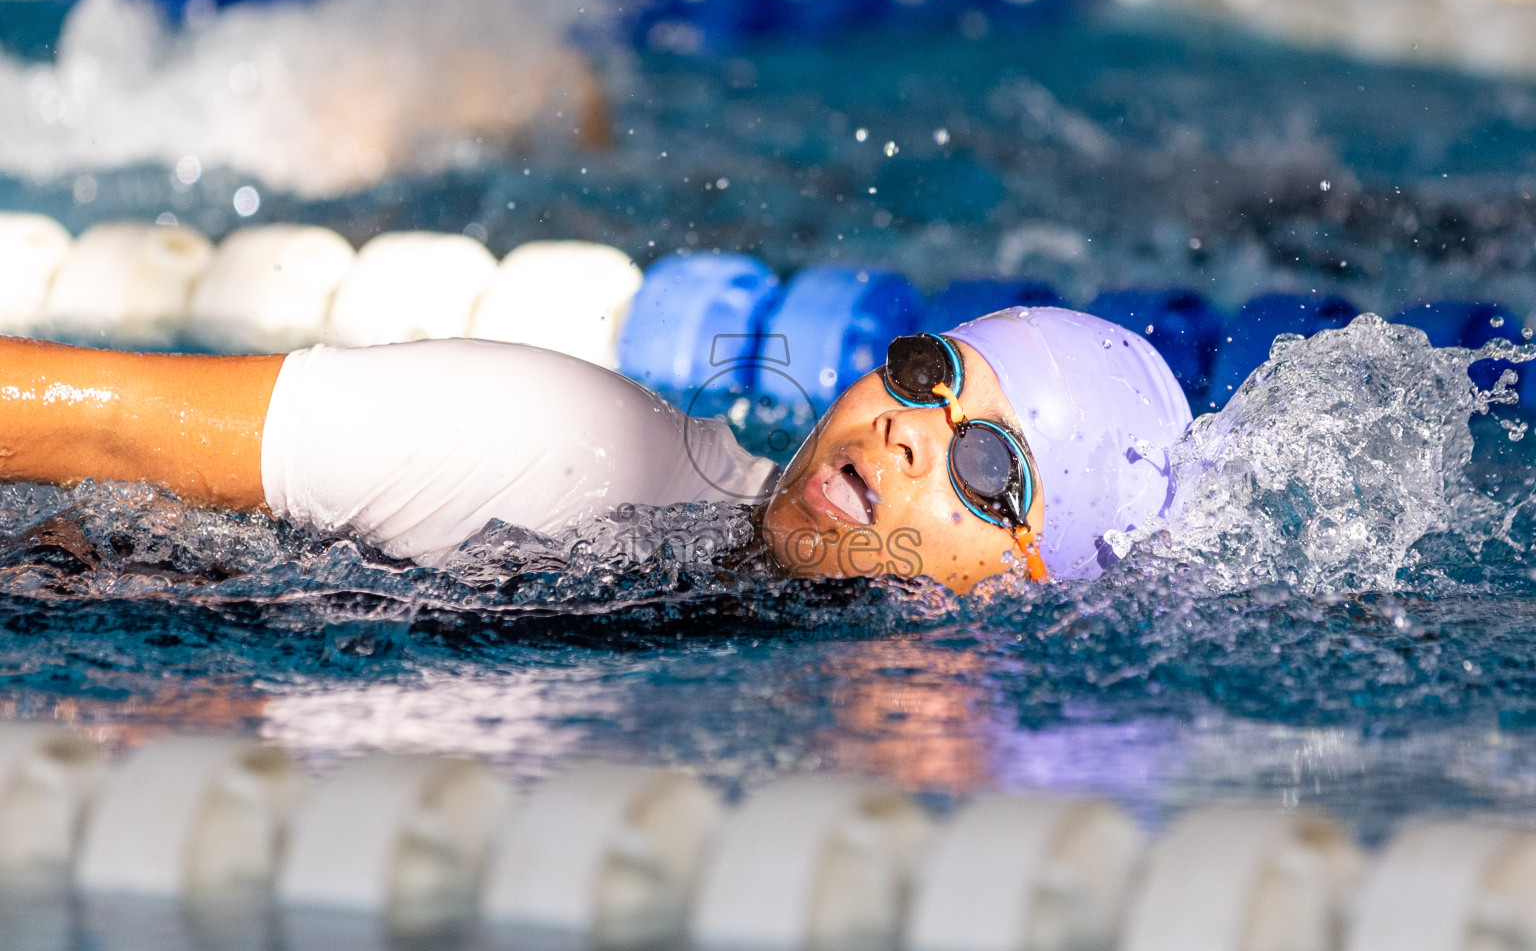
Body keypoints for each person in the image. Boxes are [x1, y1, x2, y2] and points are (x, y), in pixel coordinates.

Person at [0, 306, 1189, 593]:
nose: (907, 432)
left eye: (989, 467)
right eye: (926, 376)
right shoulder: (563, 449)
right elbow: (102, 419)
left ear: (1035, 573)